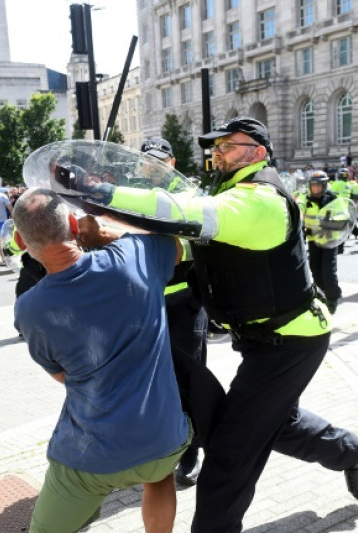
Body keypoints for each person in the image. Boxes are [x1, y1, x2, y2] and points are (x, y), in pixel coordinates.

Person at [68, 117, 358, 532]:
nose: (217, 153)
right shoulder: (231, 191)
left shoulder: (259, 199)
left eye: (228, 146)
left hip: (290, 341)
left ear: (258, 151)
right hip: (264, 339)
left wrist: (100, 191)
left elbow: (185, 212)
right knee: (268, 422)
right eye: (214, 147)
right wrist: (112, 239)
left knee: (230, 453)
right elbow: (193, 249)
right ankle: (352, 451)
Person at [12, 189, 191, 533]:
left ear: (21, 240)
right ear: (73, 223)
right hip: (161, 437)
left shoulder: (29, 309)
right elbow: (178, 246)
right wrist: (107, 233)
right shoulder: (135, 255)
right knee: (159, 475)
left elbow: (62, 376)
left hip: (89, 454)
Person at [140, 136, 214, 486]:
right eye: (146, 161)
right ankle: (163, 447)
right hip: (148, 304)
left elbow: (198, 243)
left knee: (189, 381)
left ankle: (191, 453)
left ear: (171, 162)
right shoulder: (134, 194)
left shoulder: (188, 195)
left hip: (184, 303)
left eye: (158, 160)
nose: (151, 167)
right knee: (155, 382)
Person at [300, 171, 346, 312]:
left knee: (328, 271)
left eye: (319, 186)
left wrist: (330, 222)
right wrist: (299, 216)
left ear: (325, 186)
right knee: (315, 269)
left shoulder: (334, 200)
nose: (316, 189)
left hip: (329, 240)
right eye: (313, 186)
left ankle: (332, 299)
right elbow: (298, 206)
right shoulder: (305, 198)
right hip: (313, 240)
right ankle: (323, 293)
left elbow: (344, 217)